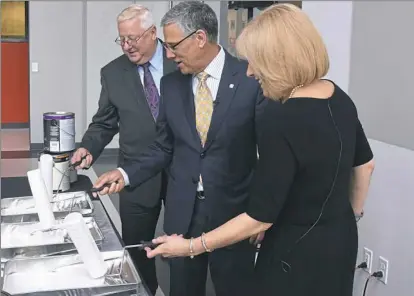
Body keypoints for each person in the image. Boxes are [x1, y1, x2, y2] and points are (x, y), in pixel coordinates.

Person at [145, 4, 376, 296]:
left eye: (255, 62)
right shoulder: (339, 97)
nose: (251, 72)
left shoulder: (281, 117)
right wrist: (350, 218)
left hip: (293, 255)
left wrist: (191, 246)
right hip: (340, 244)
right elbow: (366, 165)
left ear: (278, 60)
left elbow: (259, 217)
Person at [92, 2, 267, 295]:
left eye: (173, 46)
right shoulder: (172, 84)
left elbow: (269, 153)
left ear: (200, 38)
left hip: (233, 213)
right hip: (183, 214)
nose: (169, 54)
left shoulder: (250, 80)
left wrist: (263, 213)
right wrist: (125, 173)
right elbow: (163, 146)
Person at [71, 4, 176, 294]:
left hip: (183, 172)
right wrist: (88, 147)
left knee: (183, 244)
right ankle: (147, 290)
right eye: (122, 39)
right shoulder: (113, 73)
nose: (127, 46)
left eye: (134, 38)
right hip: (134, 173)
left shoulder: (179, 59)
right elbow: (104, 122)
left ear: (153, 33)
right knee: (137, 246)